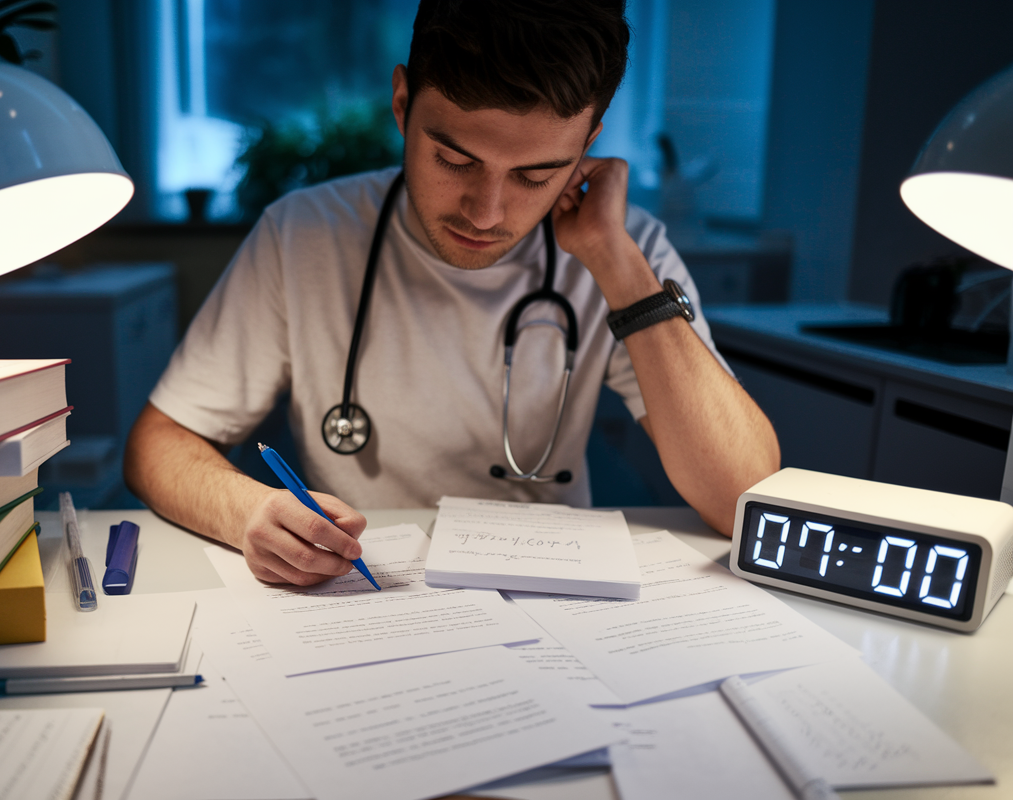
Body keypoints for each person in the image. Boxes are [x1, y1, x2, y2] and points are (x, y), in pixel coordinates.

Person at [124, 0, 780, 586]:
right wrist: (249, 511)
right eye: (456, 159)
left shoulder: (627, 246)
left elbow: (743, 496)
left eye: (534, 174)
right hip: (360, 596)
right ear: (403, 105)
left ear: (588, 145)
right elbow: (159, 443)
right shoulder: (303, 235)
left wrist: (617, 265)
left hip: (552, 605)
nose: (487, 212)